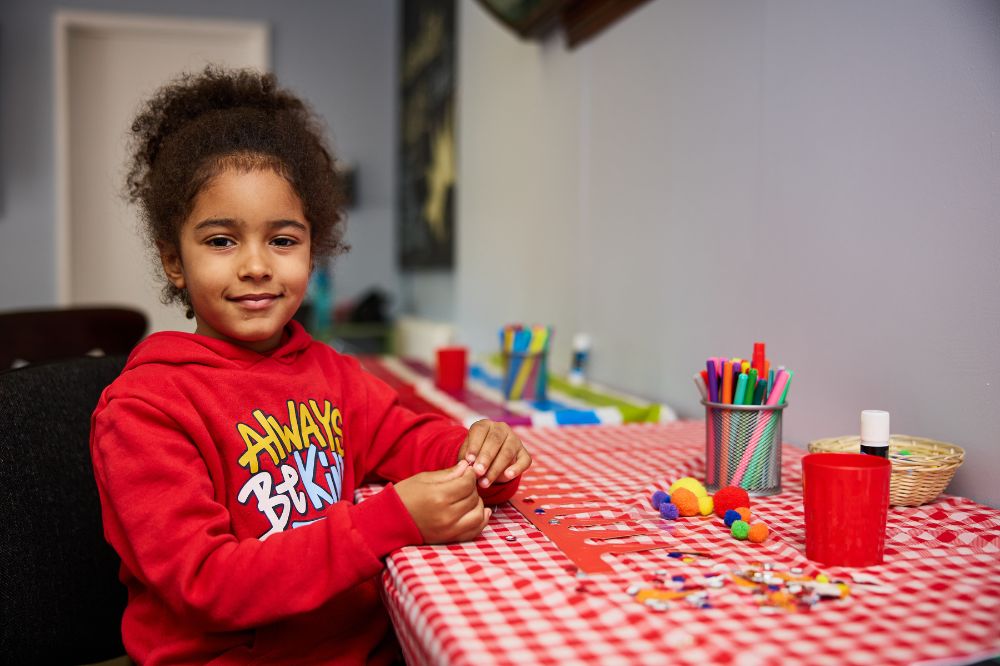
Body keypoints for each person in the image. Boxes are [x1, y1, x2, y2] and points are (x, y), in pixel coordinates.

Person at [90, 67, 531, 665]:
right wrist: (388, 523)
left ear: (311, 250)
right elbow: (206, 583)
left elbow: (411, 441)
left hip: (364, 647)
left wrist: (480, 457)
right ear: (175, 261)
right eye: (221, 241)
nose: (255, 266)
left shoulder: (330, 372)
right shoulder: (145, 408)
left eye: (283, 240)